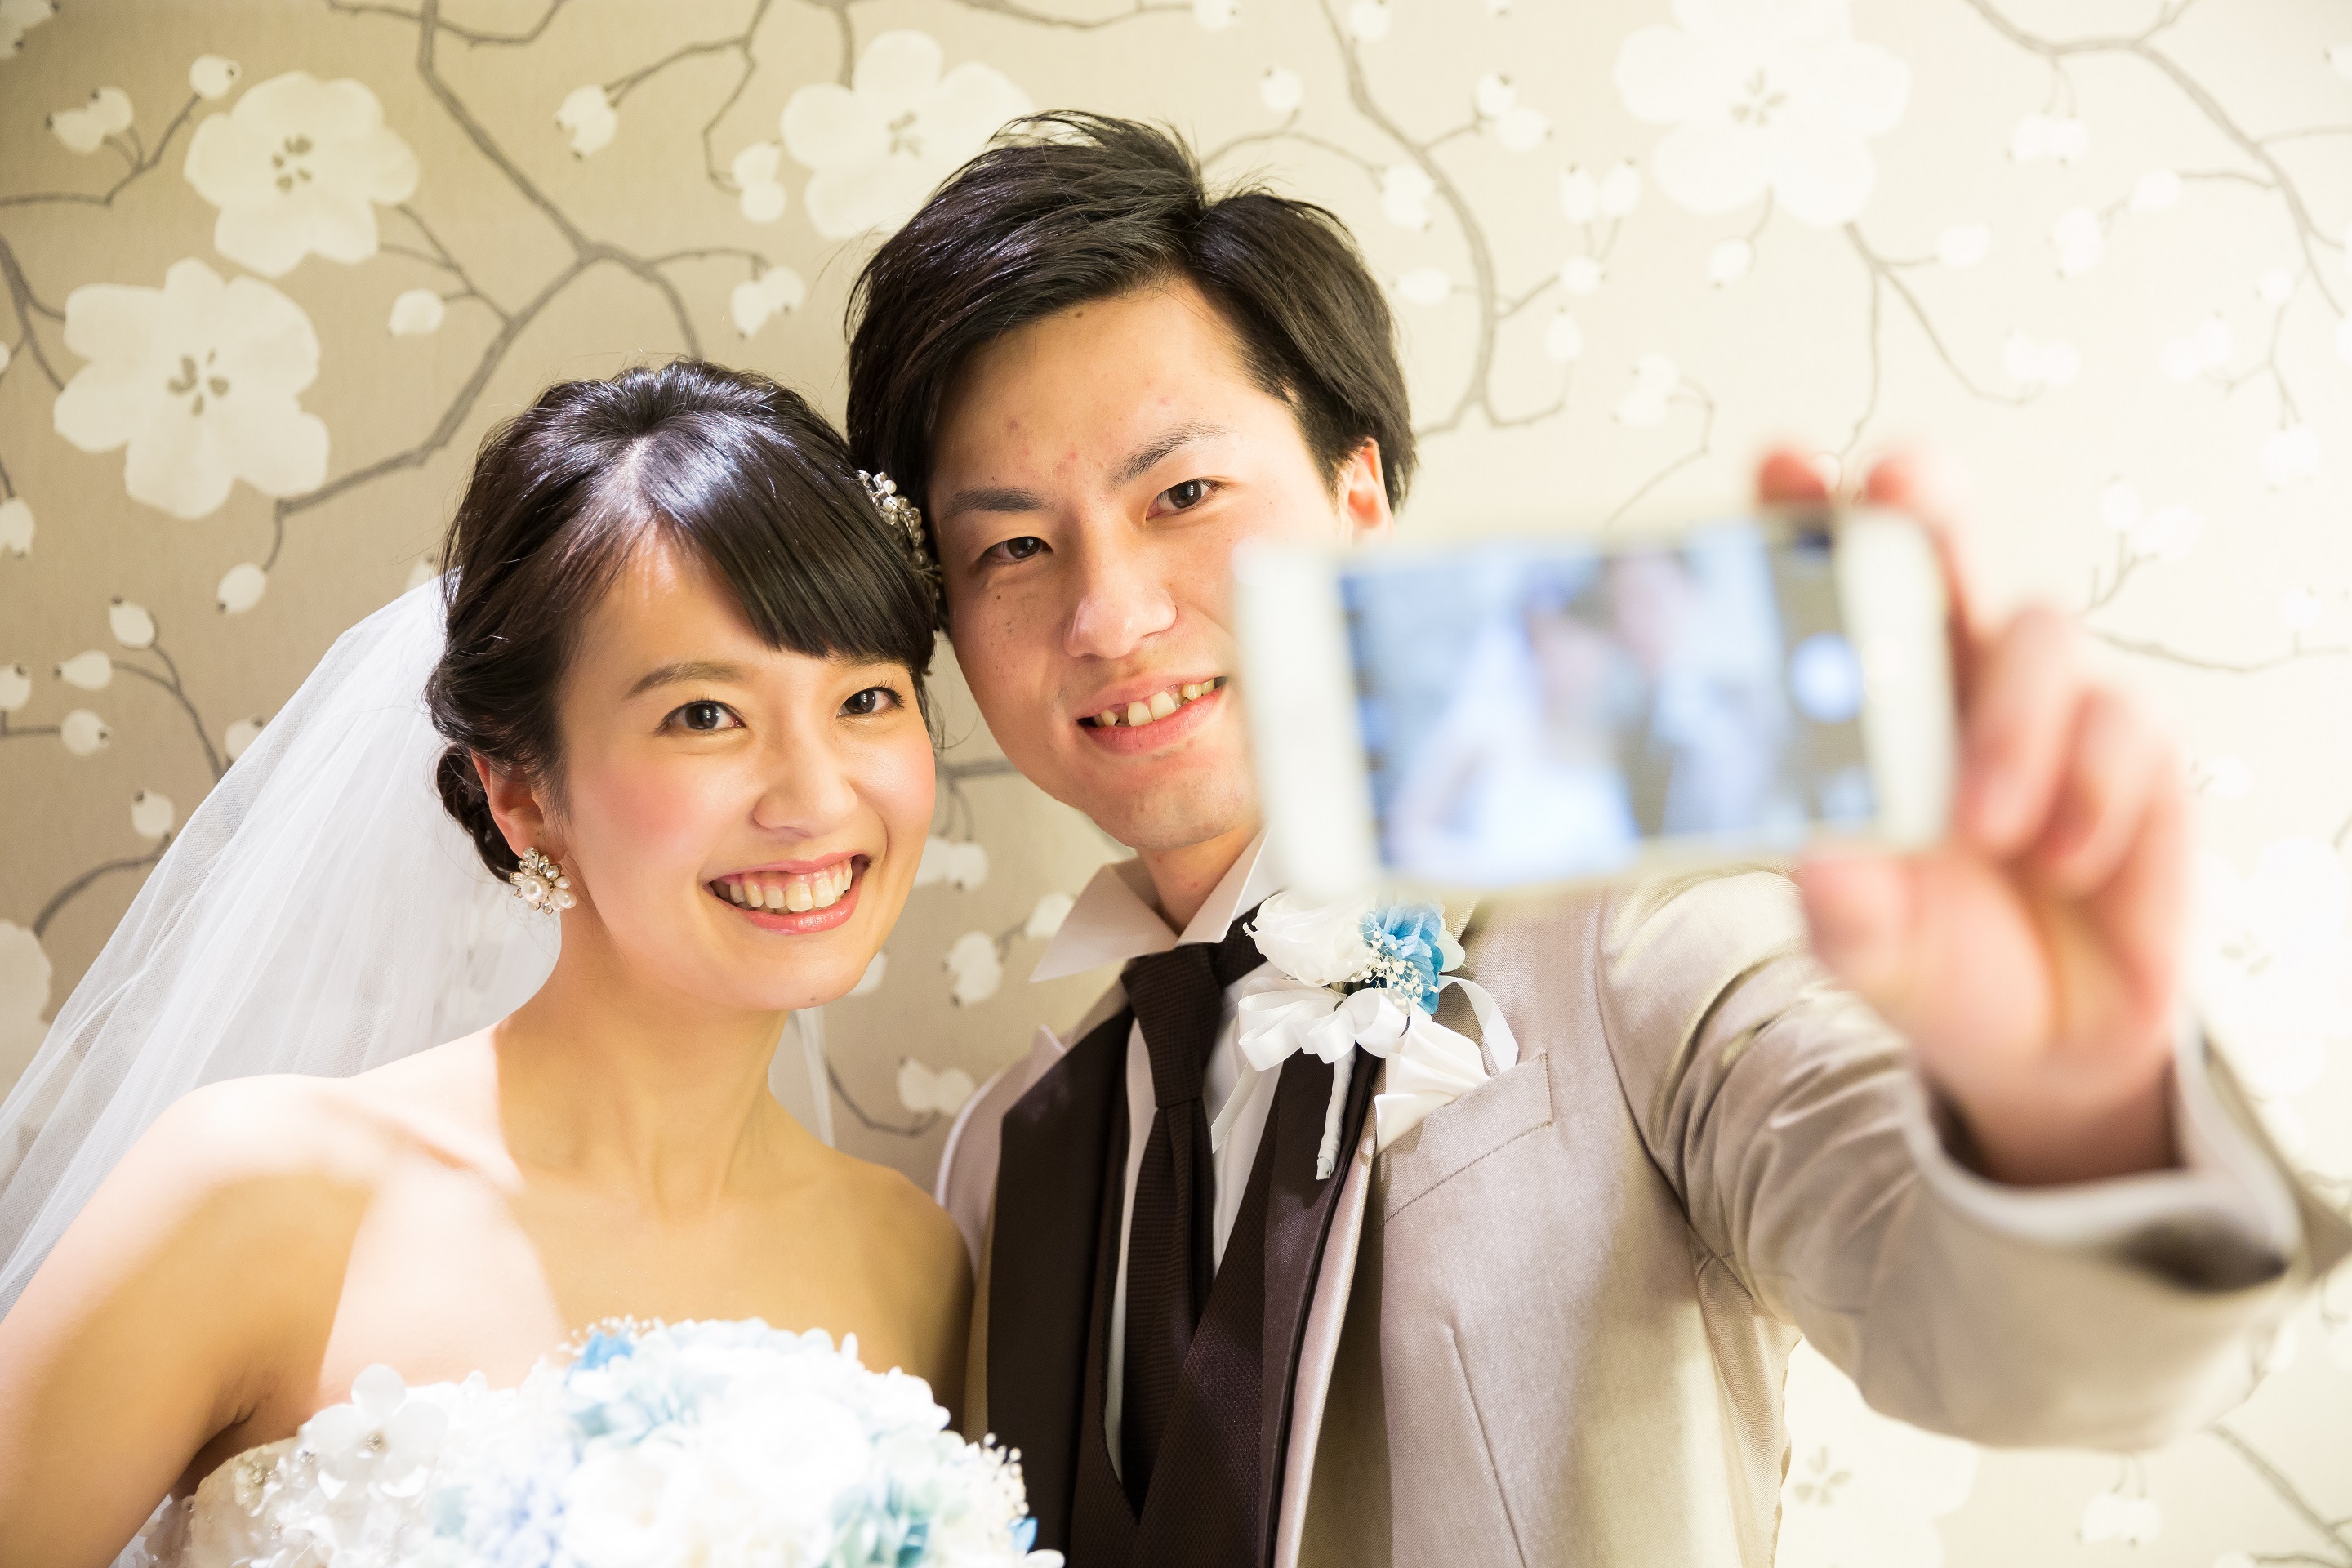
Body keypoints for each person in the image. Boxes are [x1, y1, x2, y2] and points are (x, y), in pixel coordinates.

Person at [844, 114, 2348, 1567]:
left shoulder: (1640, 941)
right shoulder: (1002, 1156)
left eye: (1183, 493)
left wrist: (2072, 1117)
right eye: (1015, 546)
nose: (1109, 616)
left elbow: (1994, 1335)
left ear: (1356, 502)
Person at [0, 362, 972, 1566]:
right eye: (703, 715)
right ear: (521, 795)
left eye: (866, 699)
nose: (817, 800)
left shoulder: (917, 1260)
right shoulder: (256, 1196)